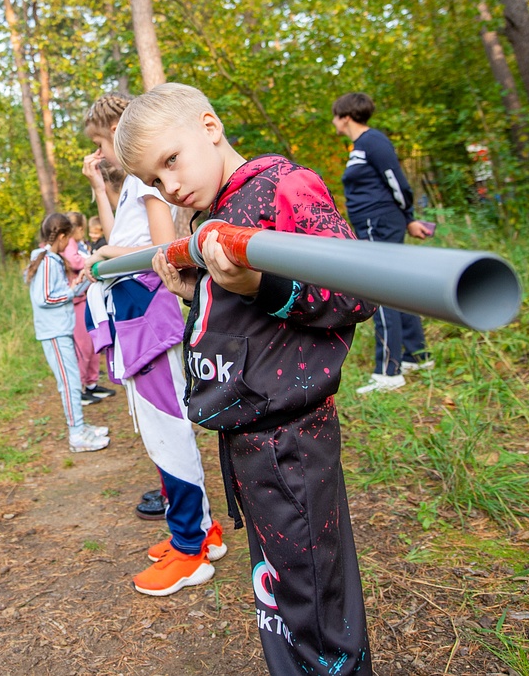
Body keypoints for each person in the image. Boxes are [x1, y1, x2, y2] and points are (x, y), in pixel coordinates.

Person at [118, 82, 377, 675]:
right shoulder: (212, 209)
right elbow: (243, 324)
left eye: (171, 161)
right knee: (277, 596)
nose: (170, 186)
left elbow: (356, 294)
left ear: (210, 128)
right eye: (155, 182)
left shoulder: (282, 187)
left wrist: (261, 285)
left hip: (292, 437)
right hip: (245, 438)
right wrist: (197, 292)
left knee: (313, 598)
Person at [81, 92, 226, 596]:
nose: (108, 150)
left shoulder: (151, 181)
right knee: (156, 427)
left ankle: (191, 550)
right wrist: (101, 193)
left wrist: (111, 254)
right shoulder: (136, 183)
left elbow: (161, 247)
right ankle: (199, 531)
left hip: (149, 309)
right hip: (133, 313)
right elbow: (122, 231)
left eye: (107, 140)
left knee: (166, 429)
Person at [332, 92, 434, 394]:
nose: (334, 122)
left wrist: (409, 217)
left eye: (335, 116)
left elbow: (396, 181)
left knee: (382, 288)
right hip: (372, 224)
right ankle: (417, 355)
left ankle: (389, 371)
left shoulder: (373, 141)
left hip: (381, 223)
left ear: (345, 116)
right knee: (397, 285)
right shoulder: (359, 147)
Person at [27, 212, 110, 454]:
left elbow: (58, 291)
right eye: (69, 239)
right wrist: (72, 292)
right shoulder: (45, 261)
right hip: (53, 332)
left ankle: (80, 426)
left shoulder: (52, 259)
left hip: (61, 329)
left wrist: (82, 282)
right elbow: (44, 297)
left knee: (73, 380)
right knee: (69, 382)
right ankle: (76, 434)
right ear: (62, 237)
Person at [61, 211, 117, 405]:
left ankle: (91, 383)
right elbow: (74, 260)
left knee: (93, 344)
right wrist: (90, 259)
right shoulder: (69, 244)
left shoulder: (80, 244)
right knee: (84, 347)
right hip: (76, 301)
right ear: (75, 229)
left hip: (86, 299)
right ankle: (80, 387)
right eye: (81, 229)